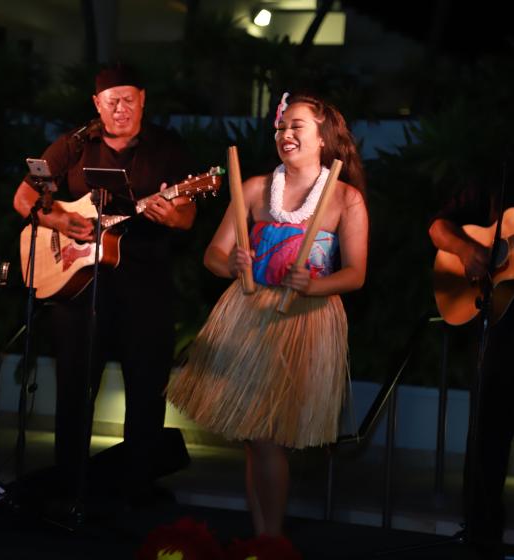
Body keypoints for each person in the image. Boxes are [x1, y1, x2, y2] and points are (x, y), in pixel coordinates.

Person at [166, 92, 369, 538]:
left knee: (268, 436)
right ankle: (261, 537)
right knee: (252, 439)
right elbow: (213, 256)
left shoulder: (344, 198)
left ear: (323, 136)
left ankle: (270, 539)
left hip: (303, 320)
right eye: (281, 127)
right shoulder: (255, 189)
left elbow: (355, 274)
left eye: (297, 126)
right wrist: (233, 266)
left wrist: (315, 285)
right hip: (249, 315)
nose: (286, 134)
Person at [12, 63, 196, 505]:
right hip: (78, 291)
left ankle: (136, 492)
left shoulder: (167, 149)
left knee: (146, 391)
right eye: (111, 101)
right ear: (96, 104)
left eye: (128, 100)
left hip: (145, 287)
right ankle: (69, 491)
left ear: (143, 100)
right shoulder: (73, 146)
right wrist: (62, 219)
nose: (120, 109)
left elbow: (188, 213)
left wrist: (172, 215)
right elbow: (24, 197)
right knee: (75, 390)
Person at [429, 174, 514, 560]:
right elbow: (439, 227)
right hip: (498, 330)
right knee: (486, 437)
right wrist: (468, 250)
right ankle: (482, 540)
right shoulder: (499, 176)